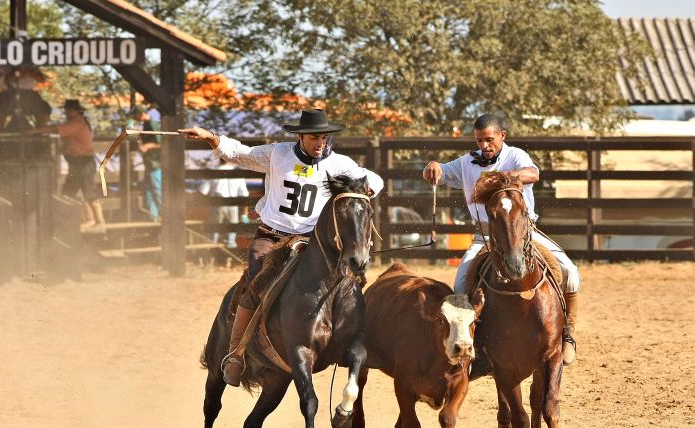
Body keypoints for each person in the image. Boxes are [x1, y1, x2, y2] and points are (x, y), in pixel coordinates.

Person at [180, 108, 384, 387]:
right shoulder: (278, 154)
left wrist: (364, 190)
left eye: (323, 137)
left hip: (312, 242)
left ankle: (343, 336)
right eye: (314, 137)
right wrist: (211, 138)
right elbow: (241, 154)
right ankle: (236, 353)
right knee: (256, 282)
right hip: (272, 237)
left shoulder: (339, 164)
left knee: (345, 280)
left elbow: (374, 179)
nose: (320, 143)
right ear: (301, 137)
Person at [422, 113, 580, 367]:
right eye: (479, 140)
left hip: (522, 232)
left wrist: (501, 178)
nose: (484, 146)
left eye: (489, 140)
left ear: (502, 136)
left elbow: (533, 174)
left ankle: (568, 334)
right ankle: (467, 347)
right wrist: (433, 166)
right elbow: (442, 172)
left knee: (570, 271)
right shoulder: (466, 162)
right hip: (483, 235)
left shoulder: (515, 155)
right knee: (461, 285)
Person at [34, 99, 104, 231]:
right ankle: (88, 220)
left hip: (84, 162)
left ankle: (100, 222)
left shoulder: (77, 123)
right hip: (77, 162)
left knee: (88, 192)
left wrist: (36, 131)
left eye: (67, 110)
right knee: (69, 192)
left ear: (75, 111)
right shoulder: (75, 122)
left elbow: (56, 129)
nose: (66, 112)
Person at [198, 162, 250, 249]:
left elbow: (202, 191)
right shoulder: (237, 174)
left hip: (217, 205)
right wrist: (245, 213)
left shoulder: (214, 172)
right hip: (233, 207)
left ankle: (211, 256)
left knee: (212, 234)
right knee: (231, 237)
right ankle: (228, 259)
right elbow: (245, 196)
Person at [127, 105, 163, 222]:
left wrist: (147, 146)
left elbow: (162, 144)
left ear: (141, 114)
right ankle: (153, 216)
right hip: (149, 163)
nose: (136, 119)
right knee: (148, 190)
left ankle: (163, 215)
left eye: (136, 116)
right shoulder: (147, 125)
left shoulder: (153, 125)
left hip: (155, 164)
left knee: (157, 189)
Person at [0, 67, 51, 133]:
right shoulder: (4, 64)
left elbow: (42, 79)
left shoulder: (30, 63)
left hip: (29, 94)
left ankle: (39, 132)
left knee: (44, 108)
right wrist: (12, 77)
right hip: (8, 93)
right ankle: (0, 132)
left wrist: (29, 73)